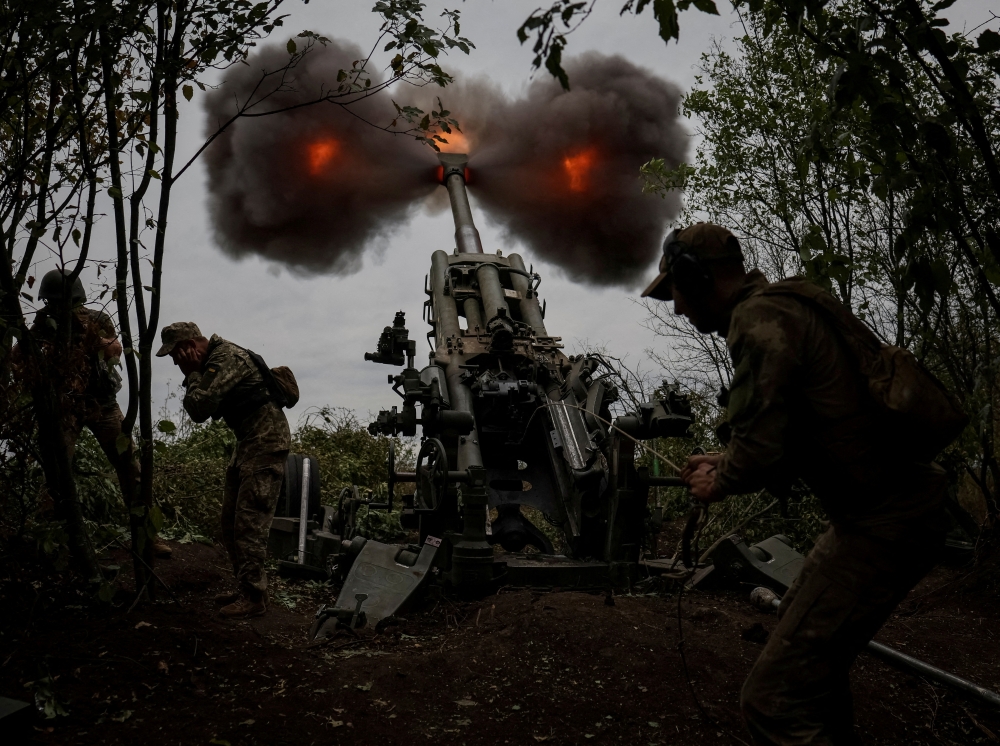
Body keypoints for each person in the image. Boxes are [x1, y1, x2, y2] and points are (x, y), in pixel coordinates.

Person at [642, 223, 950, 745]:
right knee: (810, 673)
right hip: (883, 513)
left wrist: (720, 481)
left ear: (696, 279)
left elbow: (759, 451)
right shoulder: (783, 307)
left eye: (675, 291)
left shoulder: (757, 321)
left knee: (773, 702)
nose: (676, 309)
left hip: (885, 522)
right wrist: (726, 458)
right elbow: (792, 433)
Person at [31, 269, 172, 559]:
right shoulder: (43, 325)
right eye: (52, 303)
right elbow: (25, 356)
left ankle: (147, 536)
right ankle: (49, 539)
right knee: (56, 472)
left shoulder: (96, 319)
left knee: (131, 468)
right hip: (66, 407)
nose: (56, 307)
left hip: (103, 404)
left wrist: (83, 333)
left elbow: (115, 351)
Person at [157, 321, 290, 619]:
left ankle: (255, 599)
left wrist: (192, 374)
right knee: (229, 522)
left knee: (248, 523)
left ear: (190, 346)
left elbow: (199, 408)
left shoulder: (226, 358)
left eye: (176, 355)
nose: (176, 362)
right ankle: (247, 588)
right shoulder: (216, 361)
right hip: (248, 444)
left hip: (265, 443)